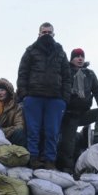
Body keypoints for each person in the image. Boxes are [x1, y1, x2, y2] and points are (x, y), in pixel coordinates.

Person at [17, 22, 71, 169]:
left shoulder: (60, 52)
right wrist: (24, 95)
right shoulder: (30, 51)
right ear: (39, 34)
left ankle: (49, 161)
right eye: (44, 32)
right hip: (34, 97)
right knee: (33, 131)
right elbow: (22, 73)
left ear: (53, 34)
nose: (46, 35)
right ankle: (33, 158)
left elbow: (67, 76)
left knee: (52, 132)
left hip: (55, 99)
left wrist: (64, 99)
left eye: (49, 32)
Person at [58, 47, 98, 171]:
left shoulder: (90, 74)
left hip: (83, 113)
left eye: (82, 56)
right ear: (72, 59)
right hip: (69, 115)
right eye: (77, 56)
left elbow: (97, 89)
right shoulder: (65, 71)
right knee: (68, 145)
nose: (80, 58)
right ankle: (67, 169)